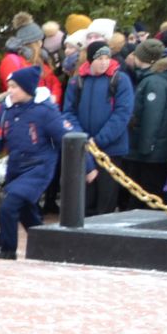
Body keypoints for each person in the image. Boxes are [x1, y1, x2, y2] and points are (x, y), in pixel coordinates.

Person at [0, 66, 68, 259]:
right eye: (9, 86)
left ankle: (7, 250)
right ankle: (48, 248)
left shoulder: (45, 111)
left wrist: (87, 166)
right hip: (16, 168)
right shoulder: (6, 110)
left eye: (14, 87)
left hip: (39, 167)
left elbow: (66, 139)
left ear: (27, 88)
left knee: (9, 207)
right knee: (26, 212)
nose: (9, 91)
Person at [62, 39, 131, 216]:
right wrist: (81, 138)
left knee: (106, 200)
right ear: (90, 59)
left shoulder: (119, 80)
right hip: (84, 149)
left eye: (107, 58)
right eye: (99, 58)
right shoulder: (77, 81)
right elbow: (69, 113)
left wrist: (99, 139)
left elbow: (122, 114)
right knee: (85, 200)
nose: (104, 62)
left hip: (111, 149)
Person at [124, 37, 167, 206]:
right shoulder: (150, 79)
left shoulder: (153, 82)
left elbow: (152, 119)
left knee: (147, 196)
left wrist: (146, 148)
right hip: (149, 151)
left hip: (150, 154)